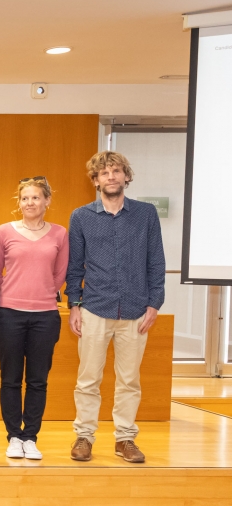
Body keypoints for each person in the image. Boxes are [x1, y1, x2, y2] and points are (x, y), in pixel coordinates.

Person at [66, 151, 165, 464]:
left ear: (126, 176)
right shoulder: (81, 216)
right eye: (104, 173)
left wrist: (154, 302)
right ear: (95, 181)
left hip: (136, 311)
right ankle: (84, 436)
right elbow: (74, 266)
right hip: (95, 307)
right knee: (88, 379)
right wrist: (74, 304)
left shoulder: (146, 214)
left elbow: (156, 261)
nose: (111, 177)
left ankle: (125, 439)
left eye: (116, 171)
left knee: (129, 380)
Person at [0, 176, 69, 461]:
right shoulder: (3, 231)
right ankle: (13, 436)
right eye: (25, 198)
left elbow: (61, 272)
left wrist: (47, 293)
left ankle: (30, 437)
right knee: (10, 379)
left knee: (38, 380)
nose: (30, 203)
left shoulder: (60, 233)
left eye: (36, 197)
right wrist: (7, 295)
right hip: (9, 315)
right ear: (19, 202)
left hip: (45, 316)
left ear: (47, 201)